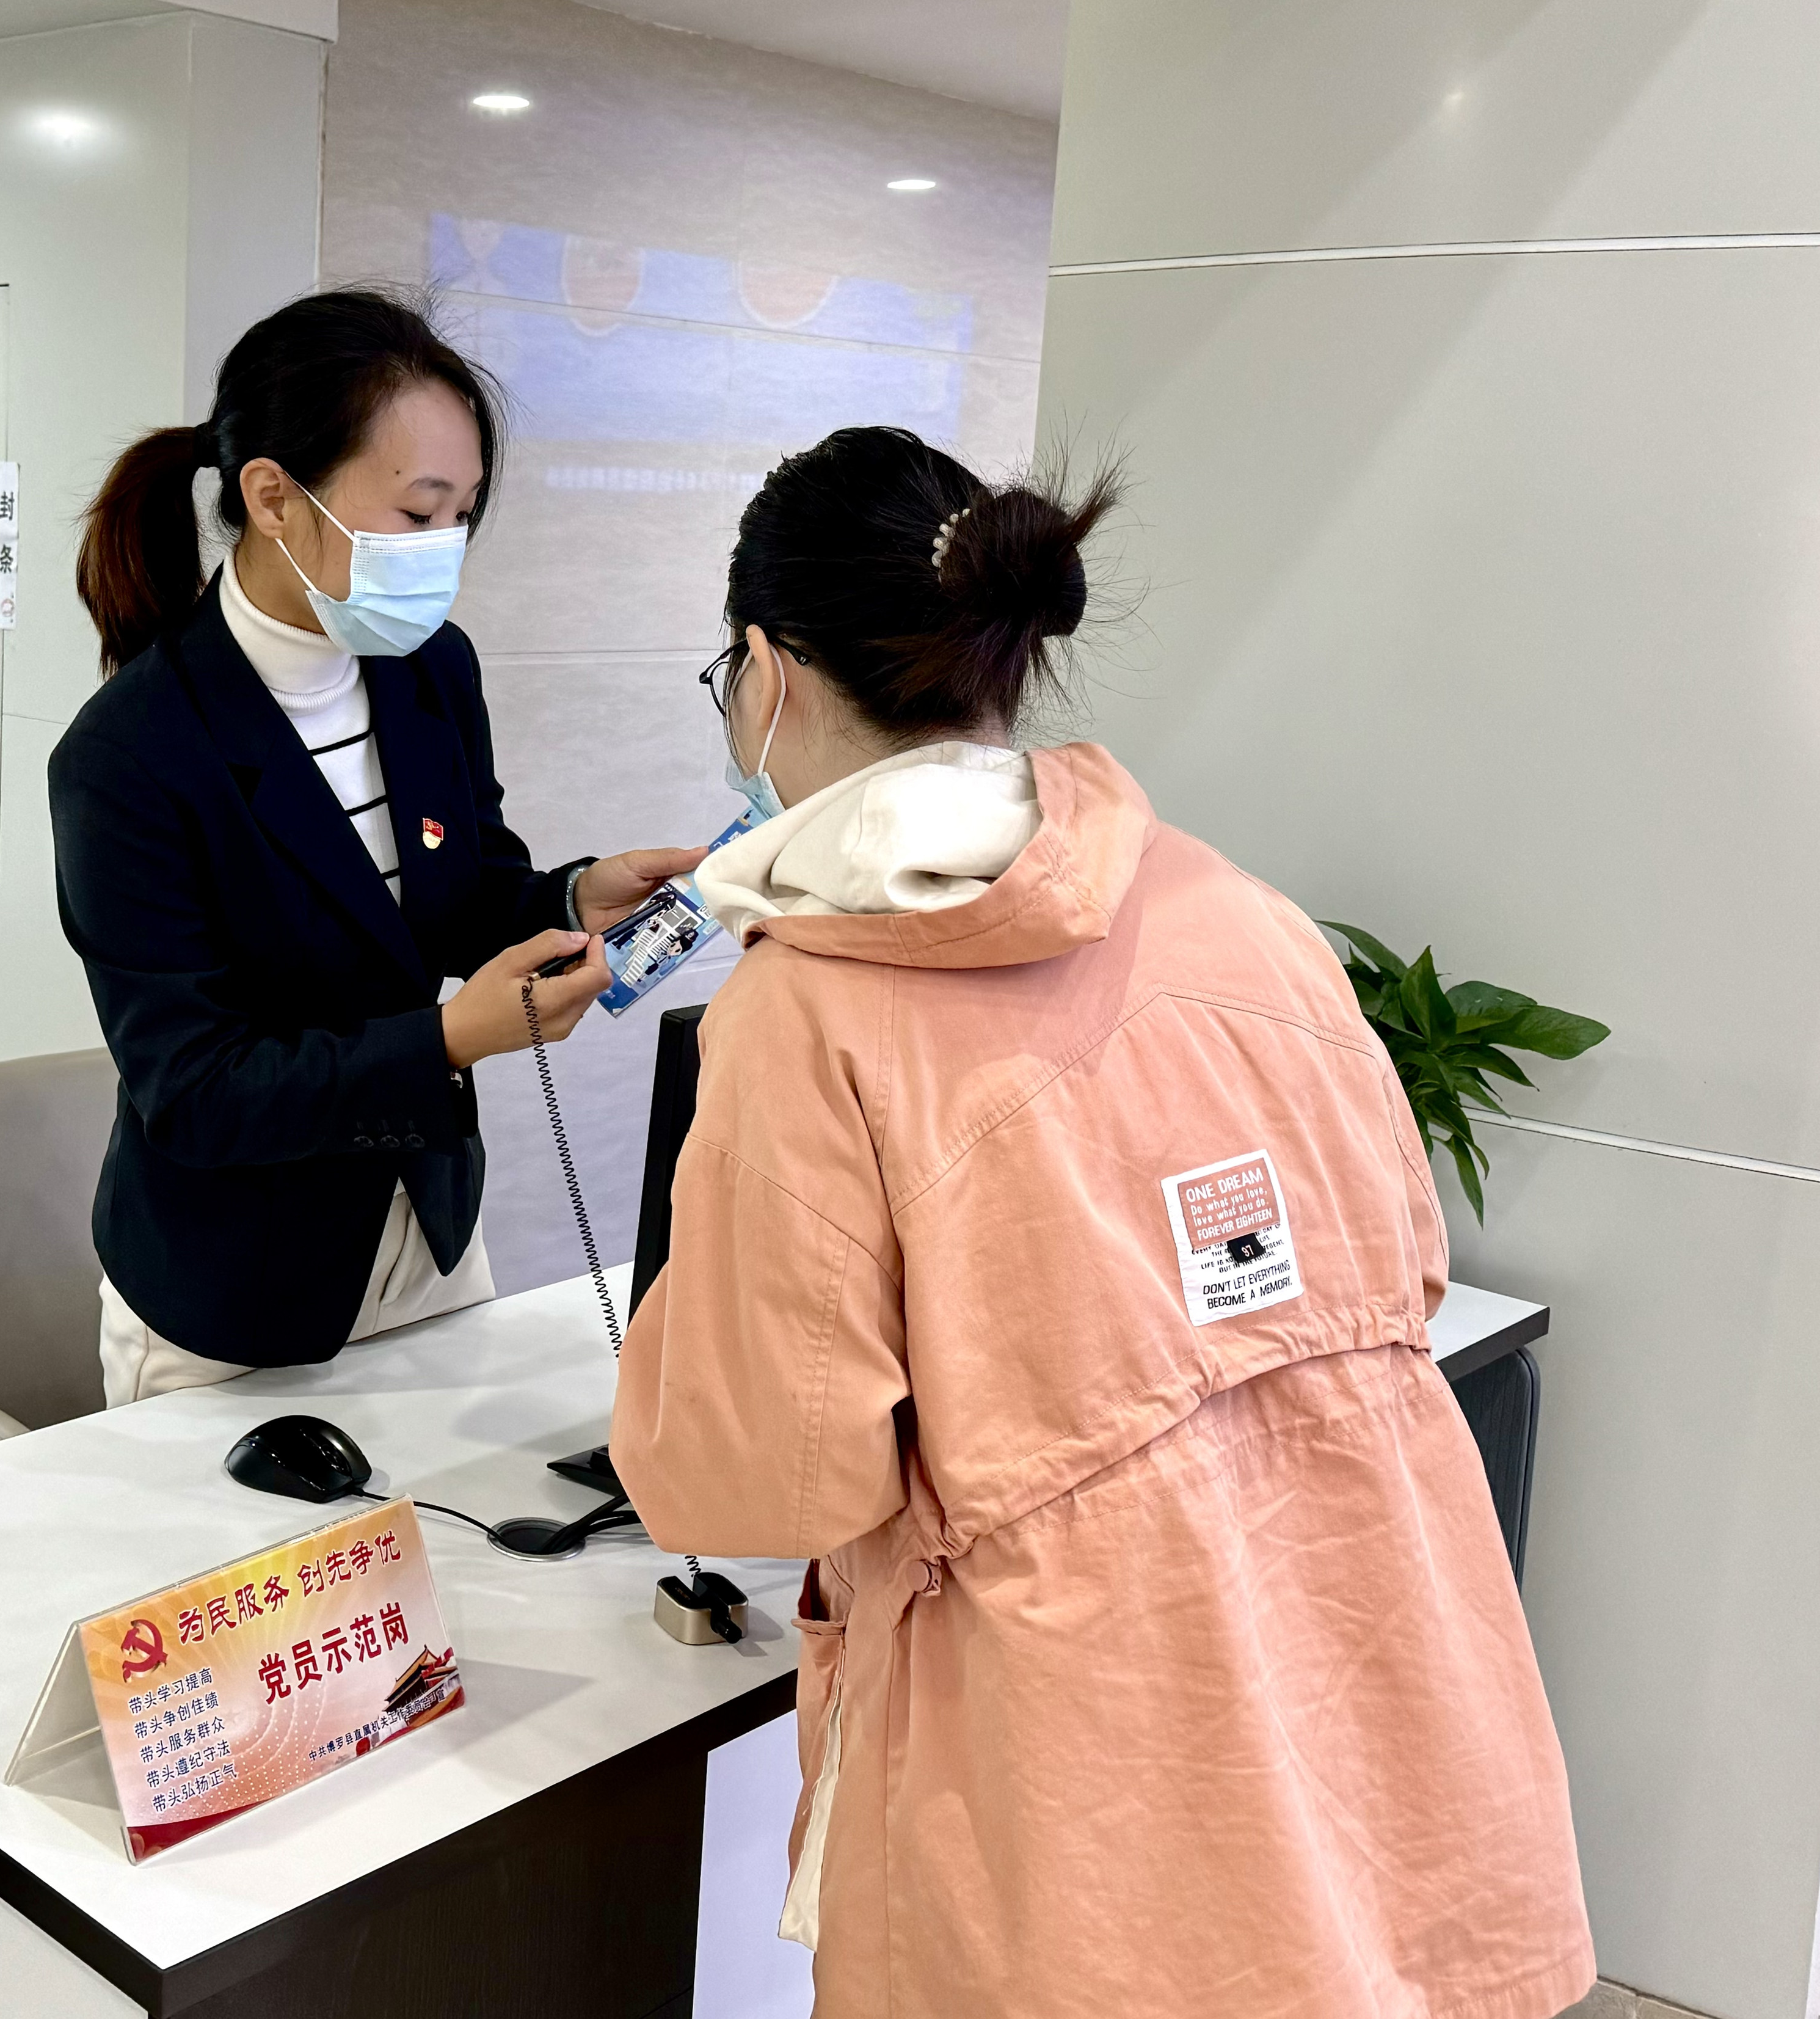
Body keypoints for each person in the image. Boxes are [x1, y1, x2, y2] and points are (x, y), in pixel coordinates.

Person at [609, 426, 1594, 2017]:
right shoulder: (1237, 910)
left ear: (768, 672)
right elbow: (1402, 1269)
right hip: (1370, 1671)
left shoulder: (804, 1011)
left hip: (1077, 1765)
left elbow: (766, 1475)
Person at [50, 289, 703, 1407]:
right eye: (417, 511)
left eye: (464, 514)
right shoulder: (131, 756)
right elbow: (195, 1090)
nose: (444, 550)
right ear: (273, 497)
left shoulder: (430, 667)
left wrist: (569, 897)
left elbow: (452, 896)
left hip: (428, 1234)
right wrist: (448, 1039)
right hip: (236, 1282)